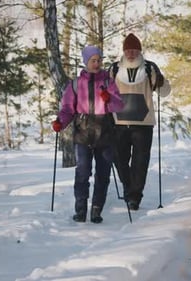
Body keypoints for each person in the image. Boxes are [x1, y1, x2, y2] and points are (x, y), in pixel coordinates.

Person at [52, 45, 124, 223]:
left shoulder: (108, 82)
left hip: (104, 130)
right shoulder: (75, 84)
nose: (97, 63)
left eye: (99, 60)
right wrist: (60, 122)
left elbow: (119, 105)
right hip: (83, 132)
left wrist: (110, 99)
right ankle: (81, 209)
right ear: (86, 62)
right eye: (93, 60)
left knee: (103, 173)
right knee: (83, 171)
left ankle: (97, 209)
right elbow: (68, 108)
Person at [109, 33, 171, 211]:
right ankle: (129, 188)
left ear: (139, 50)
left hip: (143, 123)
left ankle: (135, 197)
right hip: (118, 123)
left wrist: (161, 82)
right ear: (123, 51)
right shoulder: (113, 69)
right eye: (128, 50)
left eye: (134, 50)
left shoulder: (150, 68)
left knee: (140, 162)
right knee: (119, 160)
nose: (131, 53)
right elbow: (104, 93)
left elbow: (164, 92)